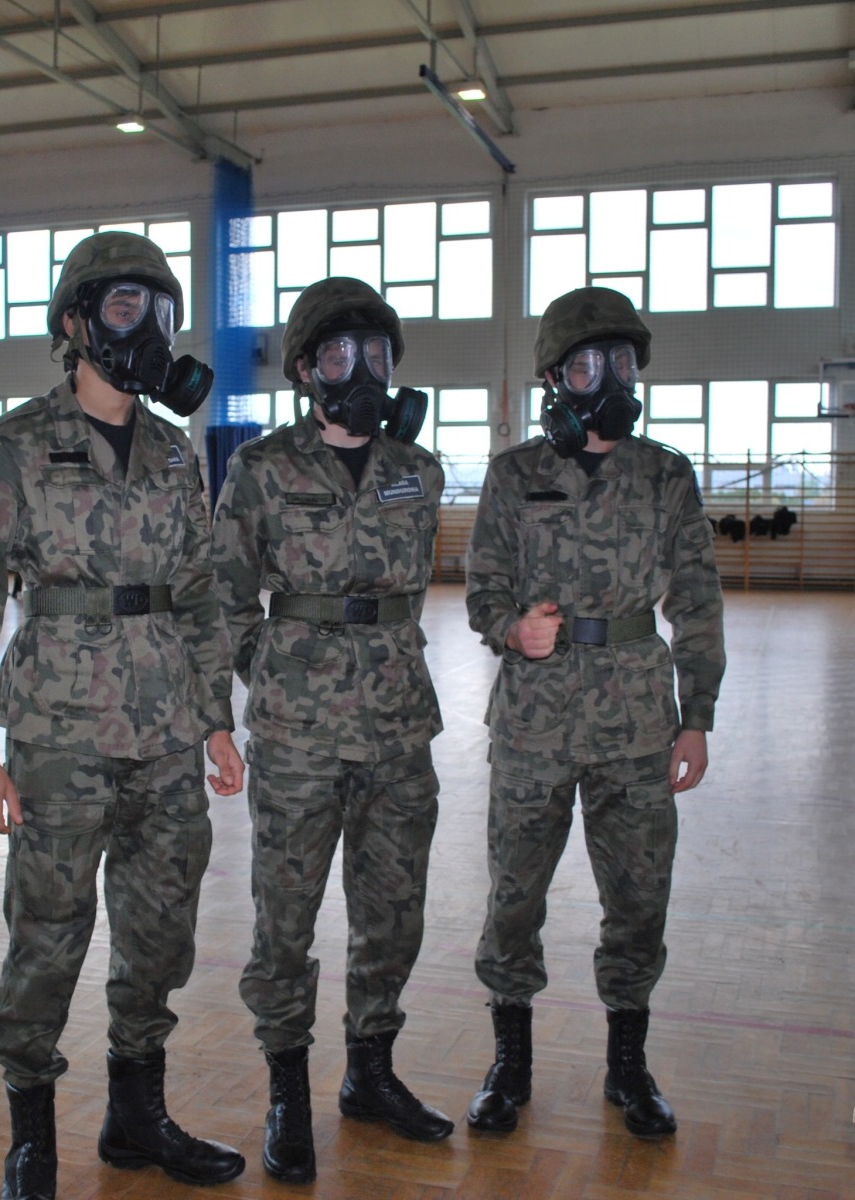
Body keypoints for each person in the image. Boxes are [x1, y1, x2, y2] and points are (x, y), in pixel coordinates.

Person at [0, 230, 246, 1198]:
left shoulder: (172, 450)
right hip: (58, 735)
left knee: (160, 934)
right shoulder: (16, 443)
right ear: (74, 322)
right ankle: (31, 1136)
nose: (144, 326)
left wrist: (215, 716)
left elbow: (197, 591)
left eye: (159, 310)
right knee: (48, 932)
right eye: (122, 306)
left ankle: (135, 1117)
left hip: (166, 734)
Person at [463, 286, 726, 1139]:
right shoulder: (515, 475)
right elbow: (482, 588)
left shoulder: (665, 475)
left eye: (619, 362)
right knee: (514, 899)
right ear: (553, 378)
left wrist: (697, 715)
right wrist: (512, 628)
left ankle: (628, 1066)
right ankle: (510, 1063)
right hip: (533, 723)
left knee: (639, 900)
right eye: (586, 365)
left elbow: (697, 600)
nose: (607, 378)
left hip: (638, 724)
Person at [210, 276, 453, 1185]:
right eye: (343, 353)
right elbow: (226, 597)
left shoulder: (417, 471)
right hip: (298, 736)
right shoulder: (263, 468)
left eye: (377, 352)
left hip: (398, 727)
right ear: (308, 370)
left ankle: (370, 1073)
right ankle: (287, 1092)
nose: (364, 369)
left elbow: (411, 592)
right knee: (286, 917)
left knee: (394, 912)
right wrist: (269, 673)